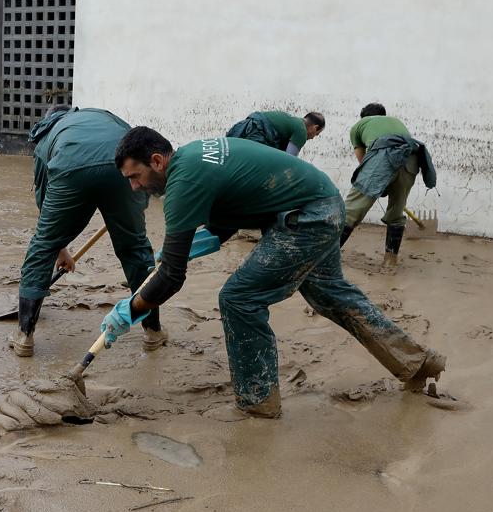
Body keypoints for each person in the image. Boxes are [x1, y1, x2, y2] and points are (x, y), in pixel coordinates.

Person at [102, 127, 445, 418]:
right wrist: (192, 245)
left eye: (135, 176)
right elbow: (229, 214)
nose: (134, 187)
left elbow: (172, 277)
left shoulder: (184, 180)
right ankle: (417, 363)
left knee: (239, 298)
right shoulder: (192, 157)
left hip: (305, 217)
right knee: (331, 295)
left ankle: (258, 402)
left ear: (157, 162)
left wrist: (130, 311)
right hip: (322, 204)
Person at [9, 107, 163, 357]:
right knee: (135, 247)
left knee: (42, 245)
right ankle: (153, 331)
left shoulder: (48, 135)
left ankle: (25, 335)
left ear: (49, 119)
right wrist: (133, 210)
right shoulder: (104, 116)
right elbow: (136, 152)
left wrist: (57, 247)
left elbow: (43, 200)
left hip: (71, 168)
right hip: (122, 168)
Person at [340, 103, 436, 266]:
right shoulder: (396, 122)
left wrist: (378, 181)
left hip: (383, 159)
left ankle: (326, 257)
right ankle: (390, 261)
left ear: (363, 117)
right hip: (411, 161)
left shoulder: (358, 126)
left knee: (351, 210)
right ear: (383, 114)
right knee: (396, 211)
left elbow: (363, 161)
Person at [225, 110, 325, 157]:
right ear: (314, 127)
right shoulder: (301, 131)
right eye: (317, 134)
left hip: (247, 126)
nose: (313, 138)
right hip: (258, 132)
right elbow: (289, 159)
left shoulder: (293, 121)